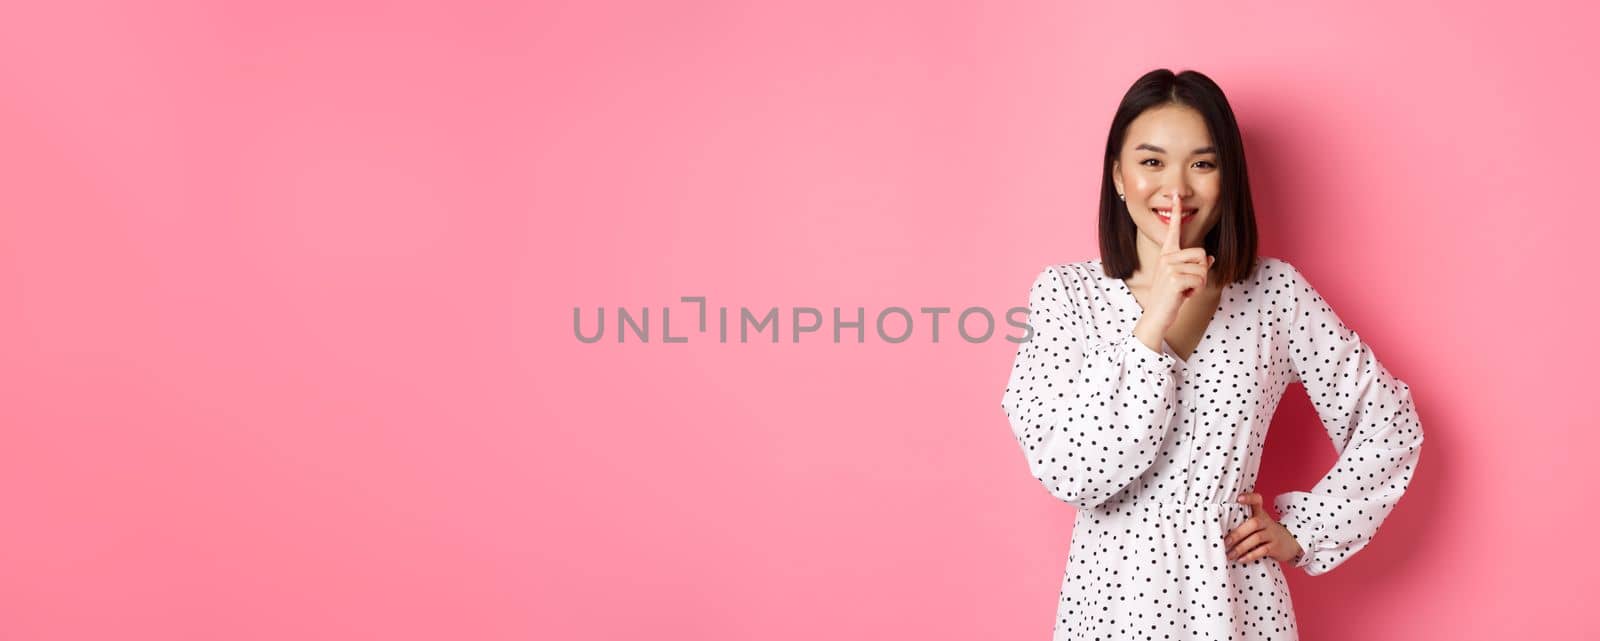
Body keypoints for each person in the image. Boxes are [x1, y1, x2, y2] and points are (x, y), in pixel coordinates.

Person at [1000, 68, 1425, 640]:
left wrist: (1308, 528)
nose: (1176, 190)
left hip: (1238, 602)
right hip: (1112, 602)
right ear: (1119, 177)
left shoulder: (1274, 293)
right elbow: (1075, 472)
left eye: (1202, 164)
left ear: (1228, 179)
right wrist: (1154, 325)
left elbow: (1389, 422)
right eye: (1152, 162)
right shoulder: (1066, 296)